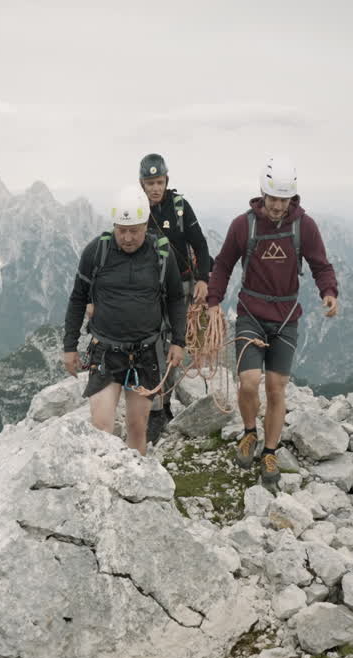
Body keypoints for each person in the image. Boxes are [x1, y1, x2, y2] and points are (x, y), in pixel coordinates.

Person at [205, 156, 339, 489]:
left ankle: (269, 451)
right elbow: (223, 265)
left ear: (293, 197)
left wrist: (329, 292)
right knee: (249, 381)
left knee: (276, 388)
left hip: (286, 318)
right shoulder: (243, 225)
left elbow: (320, 265)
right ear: (262, 194)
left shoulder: (304, 226)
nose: (279, 206)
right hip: (250, 313)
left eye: (285, 199)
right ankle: (250, 432)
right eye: (273, 198)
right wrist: (213, 302)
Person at [63, 186, 187, 455]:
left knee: (137, 427)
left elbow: (177, 298)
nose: (128, 238)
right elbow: (78, 298)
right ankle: (102, 477)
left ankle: (135, 479)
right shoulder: (97, 251)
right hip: (106, 352)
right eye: (122, 230)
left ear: (145, 226)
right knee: (101, 426)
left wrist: (179, 341)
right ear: (114, 226)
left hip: (146, 353)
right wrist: (69, 347)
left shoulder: (161, 254)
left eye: (134, 231)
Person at [138, 152, 213, 443]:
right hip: (148, 289)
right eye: (150, 183)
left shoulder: (180, 208)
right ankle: (157, 407)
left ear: (166, 181)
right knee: (153, 344)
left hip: (179, 288)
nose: (155, 188)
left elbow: (201, 245)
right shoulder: (136, 208)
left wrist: (203, 279)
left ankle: (163, 405)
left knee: (171, 343)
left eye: (159, 182)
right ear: (142, 184)